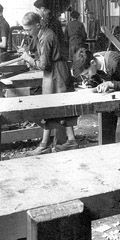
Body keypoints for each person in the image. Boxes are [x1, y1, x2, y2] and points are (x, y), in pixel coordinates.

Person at [20, 11, 78, 155]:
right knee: (55, 108)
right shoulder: (42, 34)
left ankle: (52, 144)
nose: (27, 33)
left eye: (29, 29)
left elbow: (44, 65)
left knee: (57, 108)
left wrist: (28, 59)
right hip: (54, 72)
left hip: (56, 73)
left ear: (37, 25)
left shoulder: (46, 37)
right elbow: (38, 53)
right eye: (25, 30)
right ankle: (54, 143)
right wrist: (29, 54)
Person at [71, 47, 120, 137]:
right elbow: (98, 77)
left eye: (87, 74)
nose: (87, 76)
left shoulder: (116, 62)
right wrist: (91, 82)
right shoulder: (93, 62)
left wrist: (110, 83)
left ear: (92, 63)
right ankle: (107, 148)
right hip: (112, 93)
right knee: (106, 125)